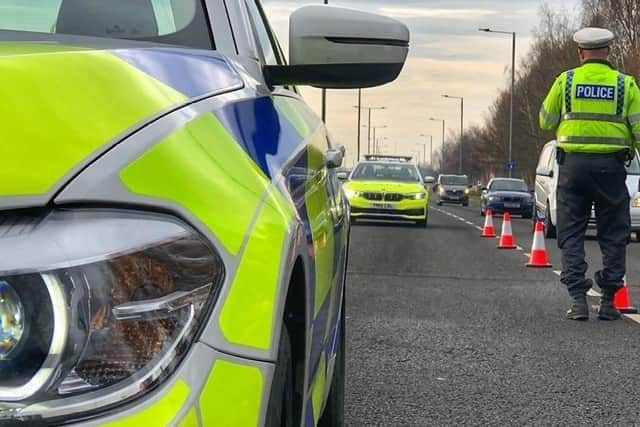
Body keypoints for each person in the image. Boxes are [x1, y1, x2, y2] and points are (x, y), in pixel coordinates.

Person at [539, 27, 640, 321]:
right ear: (608, 52)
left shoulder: (566, 81)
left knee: (571, 234)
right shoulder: (626, 86)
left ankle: (577, 301)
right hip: (611, 169)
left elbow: (545, 120)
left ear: (581, 53)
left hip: (572, 169)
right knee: (614, 234)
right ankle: (609, 302)